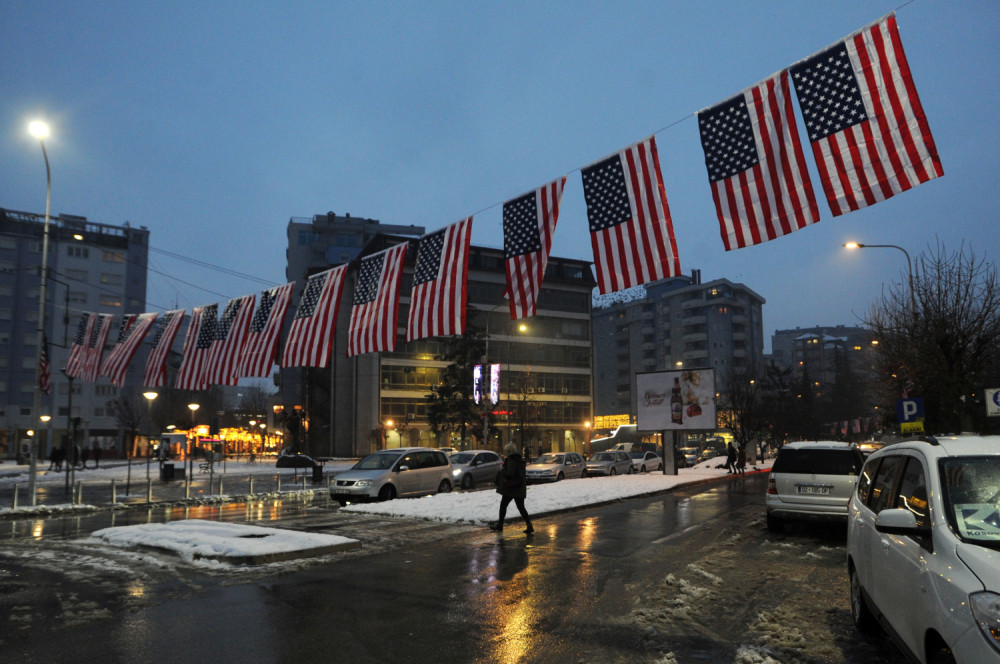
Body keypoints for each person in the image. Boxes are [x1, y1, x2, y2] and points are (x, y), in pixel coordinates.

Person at [491, 443, 533, 534]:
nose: (505, 451)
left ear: (509, 451)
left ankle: (500, 525)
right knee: (521, 507)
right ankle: (529, 525)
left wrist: (502, 471)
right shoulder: (518, 459)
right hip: (519, 487)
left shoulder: (511, 459)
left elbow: (510, 473)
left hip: (511, 488)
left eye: (506, 450)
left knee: (503, 506)